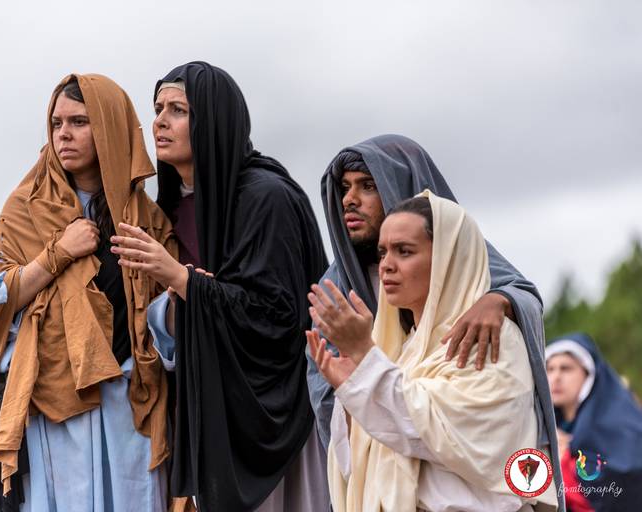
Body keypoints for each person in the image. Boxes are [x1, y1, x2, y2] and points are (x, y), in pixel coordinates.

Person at [111, 61, 330, 511]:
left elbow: (279, 318)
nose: (160, 122)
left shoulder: (266, 197)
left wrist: (181, 279)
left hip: (276, 417)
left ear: (213, 118)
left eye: (178, 110)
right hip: (212, 410)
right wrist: (177, 299)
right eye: (157, 109)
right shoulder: (169, 210)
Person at [306, 135, 565, 501]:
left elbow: (443, 426)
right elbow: (345, 412)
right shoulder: (337, 288)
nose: (350, 199)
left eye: (367, 186)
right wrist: (351, 390)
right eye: (344, 188)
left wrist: (502, 299)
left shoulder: (471, 276)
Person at [0, 74, 175, 511]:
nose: (63, 134)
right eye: (56, 123)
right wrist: (57, 254)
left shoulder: (147, 219)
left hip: (127, 408)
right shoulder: (26, 207)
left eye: (79, 122)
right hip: (52, 409)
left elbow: (162, 320)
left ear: (109, 128)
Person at [546, 333, 642, 511]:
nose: (556, 377)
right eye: (550, 369)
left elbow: (626, 487)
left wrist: (566, 459)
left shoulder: (620, 425)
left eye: (566, 368)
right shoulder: (543, 428)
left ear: (588, 373)